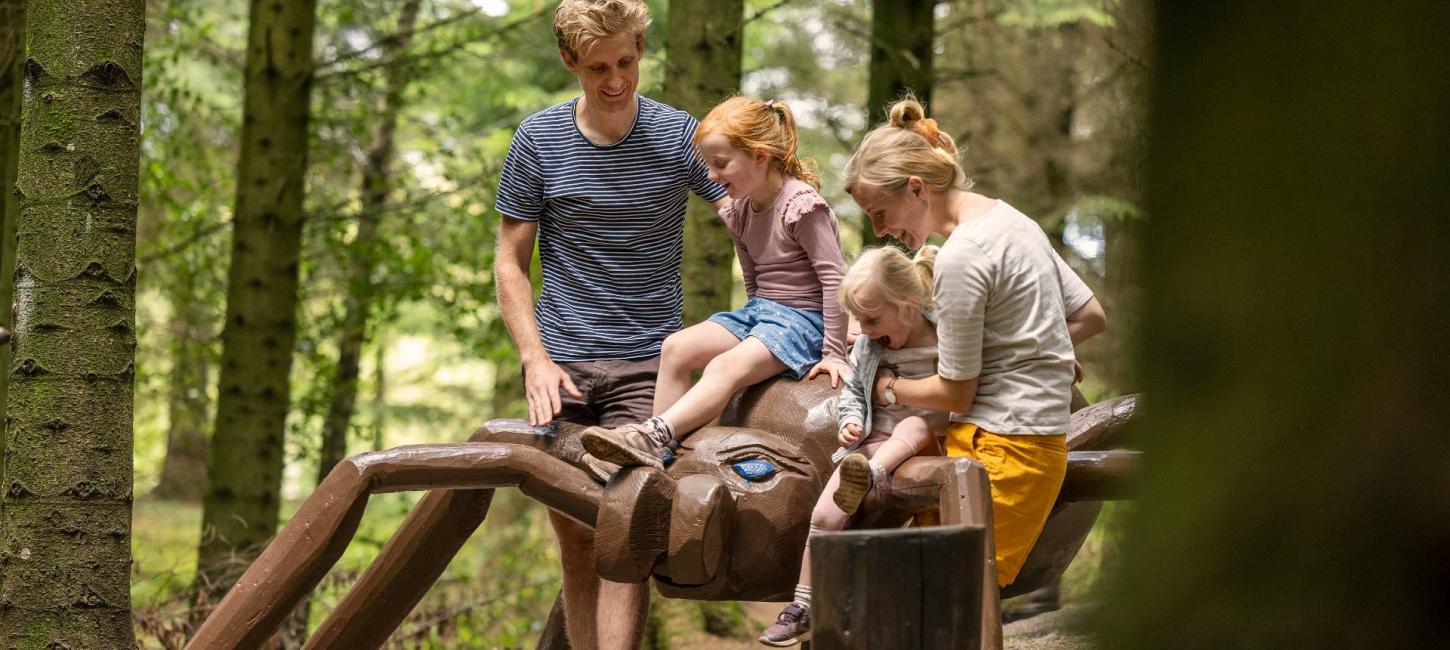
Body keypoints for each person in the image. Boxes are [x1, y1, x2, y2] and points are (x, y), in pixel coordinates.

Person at [491, 1, 727, 647]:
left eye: (627, 61)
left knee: (626, 521)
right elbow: (510, 264)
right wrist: (535, 358)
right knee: (573, 528)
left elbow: (747, 209)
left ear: (641, 50)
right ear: (570, 61)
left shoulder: (679, 135)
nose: (616, 79)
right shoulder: (538, 140)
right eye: (598, 67)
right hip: (562, 364)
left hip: (649, 364)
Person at [841, 98, 1108, 595]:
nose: (880, 231)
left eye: (880, 212)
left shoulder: (961, 255)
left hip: (1002, 443)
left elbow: (955, 393)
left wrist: (889, 389)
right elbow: (1090, 316)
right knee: (934, 597)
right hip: (1016, 438)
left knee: (947, 598)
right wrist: (1045, 350)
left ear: (917, 188)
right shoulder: (1015, 222)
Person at [582, 96, 849, 469]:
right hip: (763, 313)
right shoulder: (738, 212)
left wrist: (834, 350)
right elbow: (754, 281)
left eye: (721, 164)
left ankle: (654, 433)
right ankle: (658, 453)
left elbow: (836, 279)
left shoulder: (802, 206)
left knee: (723, 367)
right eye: (708, 165)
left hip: (803, 319)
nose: (710, 176)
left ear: (759, 155)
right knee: (676, 346)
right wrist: (751, 331)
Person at [760, 245, 950, 646]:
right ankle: (803, 605)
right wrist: (850, 422)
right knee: (825, 517)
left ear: (908, 304)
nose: (862, 330)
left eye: (871, 319)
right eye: (858, 320)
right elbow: (853, 395)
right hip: (875, 442)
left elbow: (994, 358)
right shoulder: (869, 346)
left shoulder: (949, 332)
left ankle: (875, 474)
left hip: (932, 442)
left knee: (915, 424)